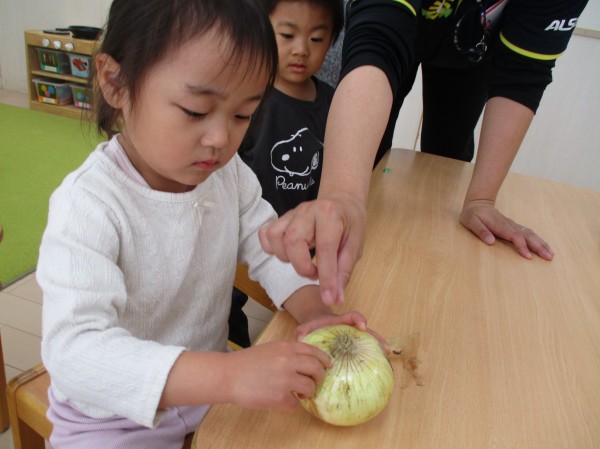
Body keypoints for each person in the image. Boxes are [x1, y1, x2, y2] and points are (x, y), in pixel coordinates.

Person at [36, 1, 368, 448]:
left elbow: (269, 249)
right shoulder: (88, 205)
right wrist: (229, 375)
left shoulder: (228, 176)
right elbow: (75, 352)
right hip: (112, 418)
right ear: (115, 83)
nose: (220, 139)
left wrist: (317, 314)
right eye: (195, 111)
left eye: (242, 115)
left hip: (209, 394)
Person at [258, 0, 590, 305]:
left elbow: (523, 73)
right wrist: (344, 196)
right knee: (363, 174)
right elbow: (378, 42)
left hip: (471, 45)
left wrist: (482, 199)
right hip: (389, 31)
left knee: (448, 157)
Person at [229, 0, 344, 347]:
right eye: (288, 35)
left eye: (316, 39)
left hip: (303, 243)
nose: (301, 50)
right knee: (230, 297)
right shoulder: (249, 100)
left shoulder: (334, 102)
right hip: (250, 237)